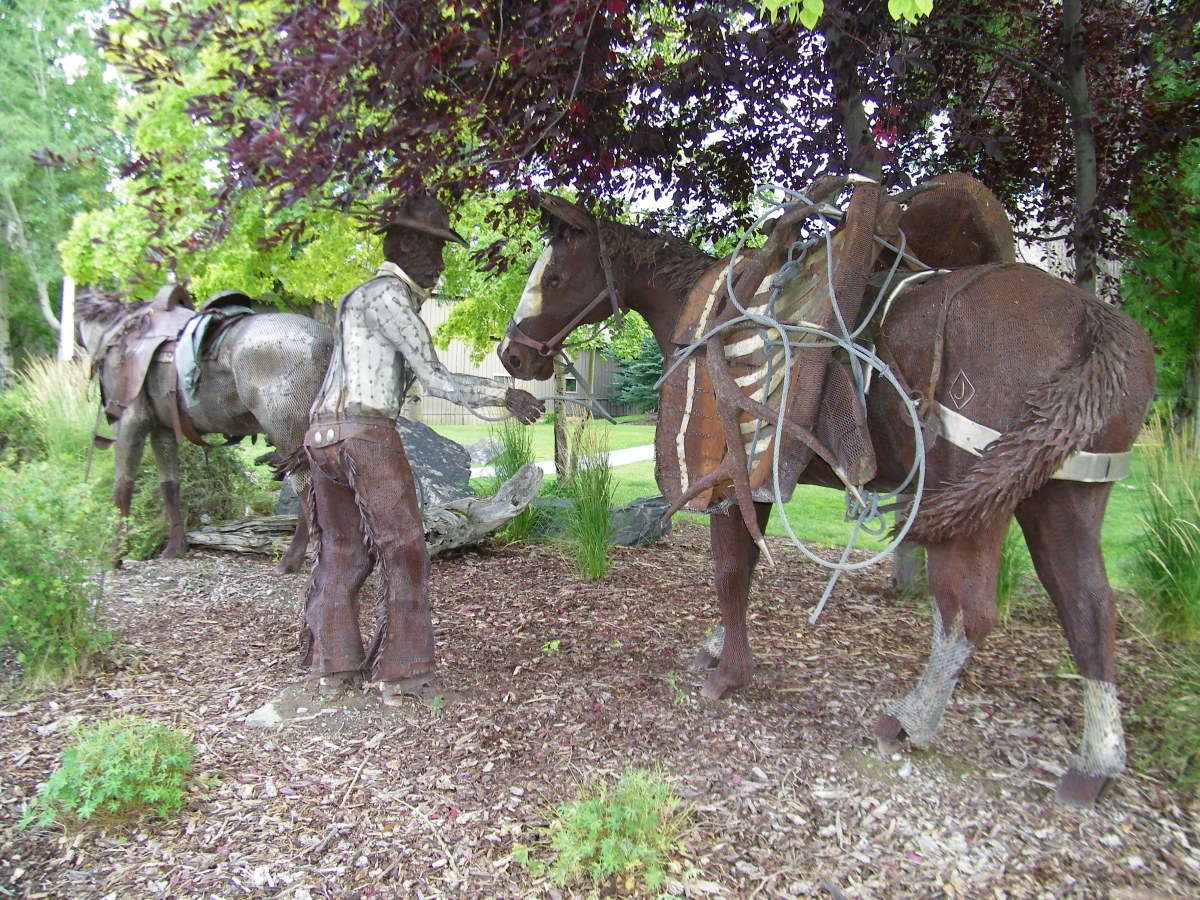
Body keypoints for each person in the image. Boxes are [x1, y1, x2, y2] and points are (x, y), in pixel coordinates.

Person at [301, 194, 543, 704]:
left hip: (321, 436)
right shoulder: (391, 298)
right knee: (405, 549)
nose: (440, 265)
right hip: (366, 435)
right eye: (435, 251)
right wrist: (505, 394)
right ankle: (405, 673)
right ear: (407, 245)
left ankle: (333, 666)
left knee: (341, 552)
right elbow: (433, 378)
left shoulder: (355, 298)